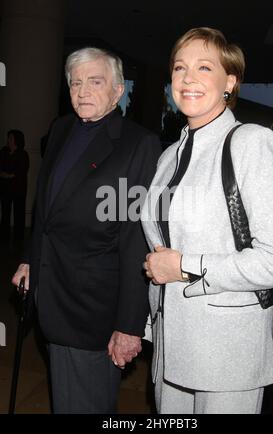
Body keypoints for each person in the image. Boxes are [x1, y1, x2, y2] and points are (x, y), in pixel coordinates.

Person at [141, 27, 273, 414]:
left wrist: (185, 267)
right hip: (169, 346)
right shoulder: (169, 157)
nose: (188, 78)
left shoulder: (251, 143)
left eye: (204, 67)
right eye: (180, 68)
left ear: (230, 82)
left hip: (226, 350)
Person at [12, 47, 161, 414]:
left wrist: (129, 325)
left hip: (95, 310)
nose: (82, 91)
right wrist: (31, 259)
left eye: (95, 82)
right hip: (52, 294)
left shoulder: (138, 145)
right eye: (75, 83)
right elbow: (46, 210)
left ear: (117, 90)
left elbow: (136, 241)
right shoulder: (61, 128)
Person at [0, 129, 29, 241]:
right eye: (9, 138)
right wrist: (7, 175)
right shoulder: (3, 151)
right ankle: (4, 236)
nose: (8, 140)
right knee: (5, 212)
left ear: (17, 140)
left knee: (19, 213)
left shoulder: (23, 154)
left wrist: (8, 175)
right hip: (5, 188)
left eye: (11, 138)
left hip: (18, 189)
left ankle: (18, 237)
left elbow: (21, 171)